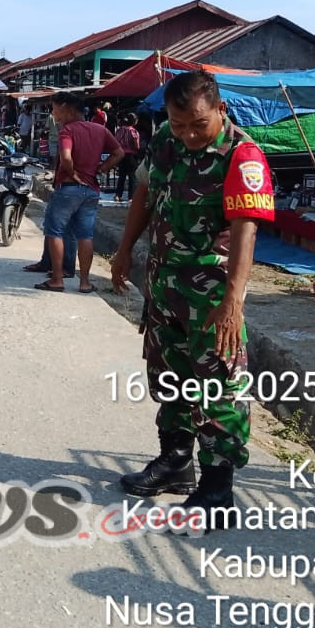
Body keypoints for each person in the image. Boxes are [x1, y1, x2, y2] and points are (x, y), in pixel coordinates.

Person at [110, 71, 274, 530]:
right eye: (178, 124)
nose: (188, 134)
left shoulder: (242, 156)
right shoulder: (167, 139)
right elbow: (145, 191)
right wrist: (124, 251)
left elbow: (246, 229)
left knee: (218, 386)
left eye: (197, 125)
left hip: (211, 297)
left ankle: (217, 486)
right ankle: (175, 462)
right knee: (169, 376)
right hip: (164, 287)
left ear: (220, 110)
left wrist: (233, 302)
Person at [35, 92, 123, 294]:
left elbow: (66, 156)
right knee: (85, 235)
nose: (53, 113)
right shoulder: (100, 130)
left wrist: (72, 172)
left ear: (66, 108)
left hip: (69, 187)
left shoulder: (68, 131)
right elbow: (119, 153)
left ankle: (57, 279)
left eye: (55, 109)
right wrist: (101, 168)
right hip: (91, 189)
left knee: (54, 231)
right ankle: (84, 282)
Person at [114, 113, 142, 203]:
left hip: (121, 155)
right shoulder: (133, 131)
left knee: (121, 175)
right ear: (134, 121)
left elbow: (115, 141)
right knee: (132, 176)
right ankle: (131, 196)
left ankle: (118, 195)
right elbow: (136, 145)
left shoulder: (119, 130)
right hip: (131, 156)